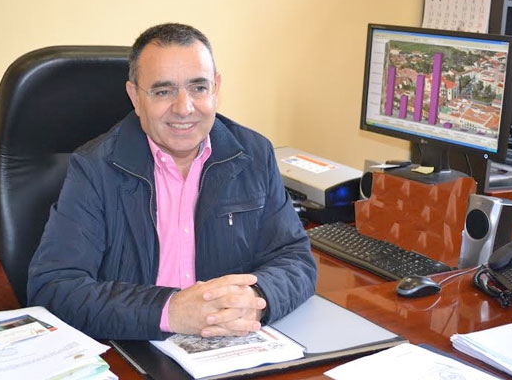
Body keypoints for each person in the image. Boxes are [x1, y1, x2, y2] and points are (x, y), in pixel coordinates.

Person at [27, 23, 317, 341]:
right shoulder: (95, 168)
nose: (184, 108)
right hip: (135, 345)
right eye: (163, 91)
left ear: (216, 88)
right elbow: (55, 287)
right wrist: (169, 311)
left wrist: (257, 299)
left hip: (232, 344)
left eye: (198, 87)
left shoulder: (253, 154)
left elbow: (296, 259)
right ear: (135, 97)